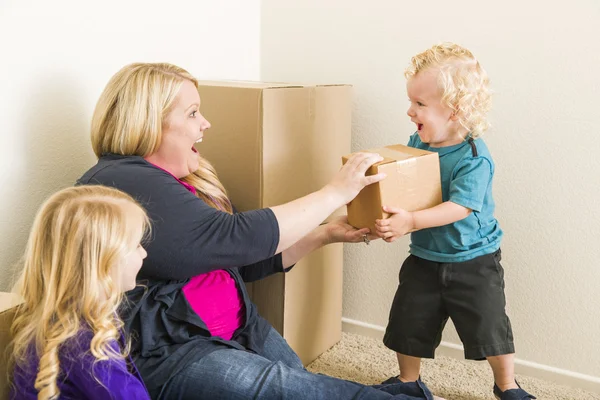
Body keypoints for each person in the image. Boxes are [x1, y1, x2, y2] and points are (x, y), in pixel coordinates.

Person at [75, 62, 440, 399]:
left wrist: (325, 233)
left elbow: (244, 261)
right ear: (147, 122)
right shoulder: (119, 179)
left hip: (241, 328)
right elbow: (236, 236)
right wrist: (335, 193)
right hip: (179, 350)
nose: (206, 123)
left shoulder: (187, 181)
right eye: (192, 113)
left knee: (308, 387)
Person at [374, 42, 535, 400]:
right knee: (408, 320)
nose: (409, 110)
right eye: (410, 101)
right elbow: (410, 179)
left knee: (490, 325)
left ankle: (507, 385)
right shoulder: (419, 141)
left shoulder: (475, 156)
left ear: (456, 109)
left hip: (473, 259)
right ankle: (408, 381)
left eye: (419, 104)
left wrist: (411, 220)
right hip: (426, 255)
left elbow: (459, 207)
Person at [9, 185, 152, 399]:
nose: (144, 253)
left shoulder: (70, 321)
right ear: (104, 262)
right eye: (136, 246)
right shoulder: (84, 343)